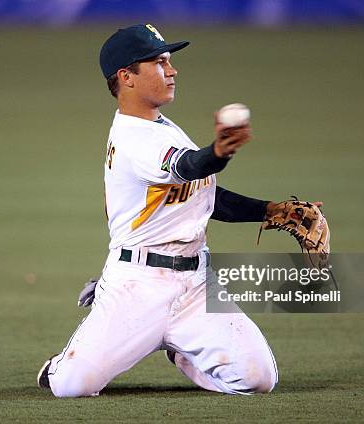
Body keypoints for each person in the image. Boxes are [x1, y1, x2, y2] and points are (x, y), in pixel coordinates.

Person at [37, 23, 278, 397]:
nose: (172, 69)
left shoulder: (162, 127)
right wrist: (218, 152)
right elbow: (191, 167)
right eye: (158, 61)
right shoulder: (134, 138)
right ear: (126, 76)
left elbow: (202, 192)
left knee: (257, 379)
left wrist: (272, 211)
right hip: (137, 286)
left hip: (196, 284)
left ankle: (181, 350)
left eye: (169, 60)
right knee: (72, 386)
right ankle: (60, 364)